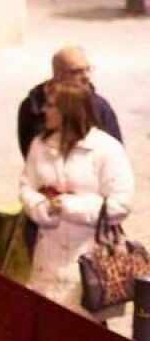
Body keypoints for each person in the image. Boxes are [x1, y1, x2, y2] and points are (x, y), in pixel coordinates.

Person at [20, 81, 134, 321]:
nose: (44, 110)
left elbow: (121, 204)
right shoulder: (40, 146)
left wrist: (68, 205)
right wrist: (44, 208)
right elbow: (26, 187)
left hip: (89, 265)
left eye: (51, 105)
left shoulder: (107, 149)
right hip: (46, 263)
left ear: (68, 109)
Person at [16, 45, 121, 158]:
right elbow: (29, 153)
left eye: (88, 69)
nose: (86, 76)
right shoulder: (33, 108)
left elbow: (116, 154)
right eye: (77, 71)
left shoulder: (100, 107)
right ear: (58, 75)